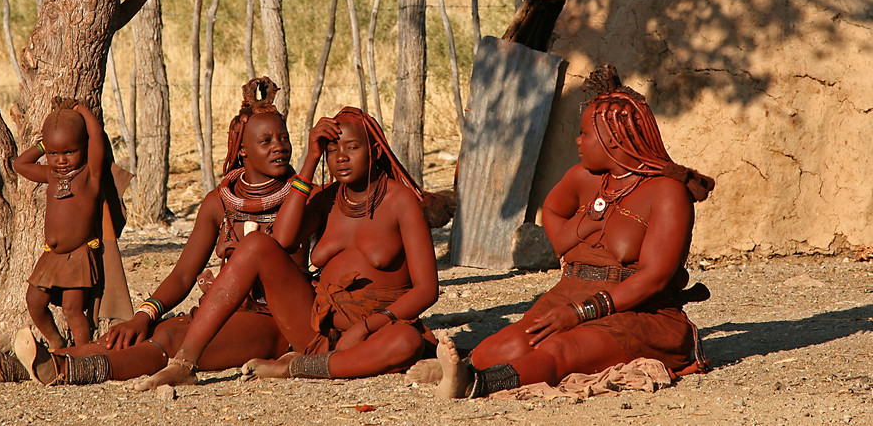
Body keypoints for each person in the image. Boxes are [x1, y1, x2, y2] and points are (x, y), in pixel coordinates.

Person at [0, 78, 305, 385]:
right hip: (224, 311)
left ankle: (63, 370)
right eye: (266, 140)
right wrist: (143, 313)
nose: (279, 145)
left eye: (284, 137)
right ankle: (11, 366)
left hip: (275, 323)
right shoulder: (219, 202)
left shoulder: (308, 197)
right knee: (141, 331)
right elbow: (184, 274)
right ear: (241, 150)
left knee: (168, 337)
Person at [422, 64, 715, 399]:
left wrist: (579, 313)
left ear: (613, 140)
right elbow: (554, 214)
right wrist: (578, 230)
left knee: (561, 350)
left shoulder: (667, 192)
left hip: (638, 313)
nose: (578, 140)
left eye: (584, 134)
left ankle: (473, 383)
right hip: (570, 293)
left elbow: (654, 279)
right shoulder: (584, 177)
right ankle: (473, 364)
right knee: (507, 345)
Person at [133, 107, 439, 390]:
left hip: (376, 331)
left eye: (353, 148)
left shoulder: (401, 202)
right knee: (256, 245)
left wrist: (367, 327)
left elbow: (427, 290)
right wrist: (309, 161)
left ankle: (301, 367)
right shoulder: (327, 198)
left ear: (373, 150)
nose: (341, 157)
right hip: (315, 329)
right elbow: (282, 240)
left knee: (405, 343)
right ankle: (185, 363)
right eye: (332, 150)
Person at [12, 97, 106, 349]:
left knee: (72, 310)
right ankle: (57, 342)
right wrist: (44, 145)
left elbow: (96, 136)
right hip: (51, 256)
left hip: (78, 256)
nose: (61, 160)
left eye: (69, 152)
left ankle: (84, 355)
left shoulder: (90, 175)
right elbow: (19, 163)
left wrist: (80, 110)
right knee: (34, 301)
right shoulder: (50, 175)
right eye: (54, 154)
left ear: (83, 148)